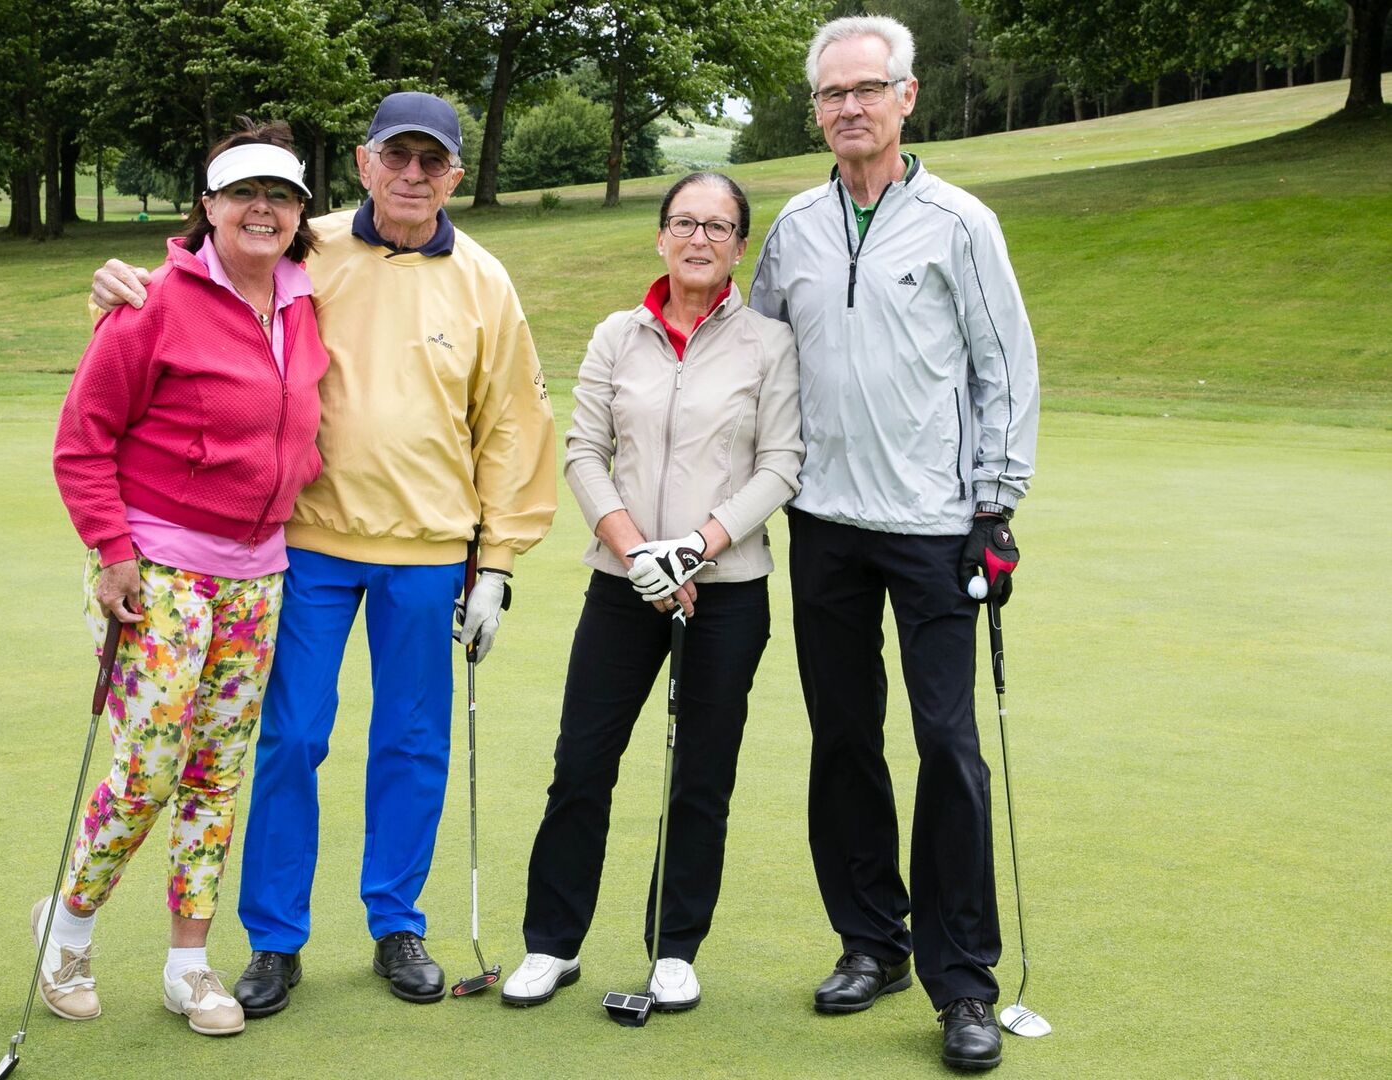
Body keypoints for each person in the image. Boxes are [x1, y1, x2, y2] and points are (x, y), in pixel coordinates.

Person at [89, 92, 556, 1012]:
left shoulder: (484, 280)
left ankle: (396, 922)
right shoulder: (310, 248)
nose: (413, 175)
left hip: (430, 547)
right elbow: (206, 284)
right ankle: (274, 939)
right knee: (292, 738)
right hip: (306, 544)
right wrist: (121, 286)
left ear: (456, 175)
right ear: (364, 162)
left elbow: (511, 427)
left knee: (412, 743)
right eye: (397, 157)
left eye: (432, 161)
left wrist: (498, 562)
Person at [749, 15, 1039, 1072]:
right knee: (842, 740)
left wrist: (994, 507)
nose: (849, 108)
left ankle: (963, 982)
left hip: (934, 528)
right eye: (831, 93)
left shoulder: (960, 222)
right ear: (815, 109)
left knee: (946, 747)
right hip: (823, 522)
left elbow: (1005, 367)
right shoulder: (793, 227)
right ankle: (870, 941)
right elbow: (759, 362)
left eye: (867, 88)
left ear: (905, 97)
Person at [42, 119, 329, 1037]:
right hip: (160, 571)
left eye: (280, 196)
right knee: (148, 769)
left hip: (259, 576)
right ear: (207, 206)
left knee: (216, 773)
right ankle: (67, 932)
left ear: (300, 212)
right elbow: (82, 439)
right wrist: (111, 551)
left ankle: (188, 966)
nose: (262, 210)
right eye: (243, 194)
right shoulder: (153, 301)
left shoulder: (305, 302)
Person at [499, 173, 804, 1012]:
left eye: (718, 226)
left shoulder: (768, 344)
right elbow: (583, 452)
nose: (698, 239)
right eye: (684, 223)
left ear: (740, 246)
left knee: (701, 775)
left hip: (727, 591)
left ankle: (674, 948)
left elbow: (781, 464)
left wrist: (695, 548)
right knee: (581, 765)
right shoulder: (616, 335)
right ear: (660, 235)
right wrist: (638, 554)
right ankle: (551, 944)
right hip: (620, 585)